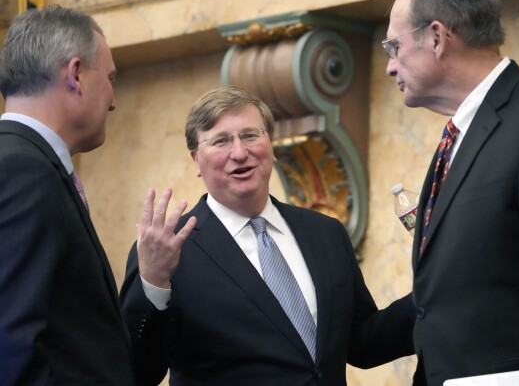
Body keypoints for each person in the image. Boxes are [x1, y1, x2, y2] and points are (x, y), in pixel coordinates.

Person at [120, 85, 416, 385]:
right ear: (196, 159)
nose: (239, 152)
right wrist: (154, 285)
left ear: (271, 145)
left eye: (250, 135)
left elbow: (364, 343)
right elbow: (137, 371)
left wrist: (436, 288)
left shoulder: (325, 233)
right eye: (221, 141)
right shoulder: (169, 250)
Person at [383, 0, 519, 385]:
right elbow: (460, 286)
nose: (390, 68)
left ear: (436, 37)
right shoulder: (457, 136)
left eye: (394, 48)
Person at [0, 5, 150, 385]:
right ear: (76, 74)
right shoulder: (26, 171)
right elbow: (14, 339)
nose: (114, 100)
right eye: (111, 78)